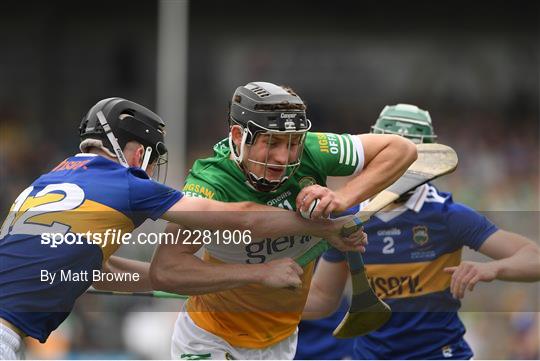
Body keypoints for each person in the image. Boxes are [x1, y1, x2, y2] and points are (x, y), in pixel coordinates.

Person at [0, 97, 367, 360]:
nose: (144, 164)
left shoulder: (45, 182)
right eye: (144, 152)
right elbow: (240, 217)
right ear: (125, 148)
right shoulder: (124, 183)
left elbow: (100, 273)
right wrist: (321, 230)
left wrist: (189, 284)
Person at [150, 82, 418, 359]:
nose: (284, 157)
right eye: (272, 142)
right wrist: (260, 273)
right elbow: (166, 269)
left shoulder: (313, 150)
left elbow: (402, 149)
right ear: (239, 135)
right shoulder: (212, 182)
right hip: (210, 339)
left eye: (294, 143)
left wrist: (342, 199)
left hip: (281, 343)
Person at [301, 103, 540, 359]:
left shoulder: (448, 216)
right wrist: (262, 302)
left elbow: (533, 258)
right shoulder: (349, 219)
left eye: (409, 157)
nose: (400, 167)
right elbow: (323, 298)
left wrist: (492, 268)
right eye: (390, 156)